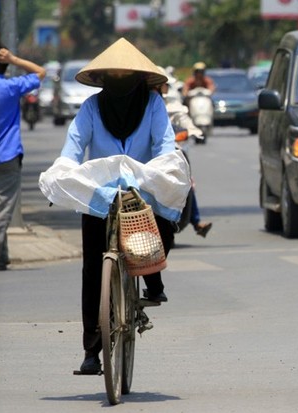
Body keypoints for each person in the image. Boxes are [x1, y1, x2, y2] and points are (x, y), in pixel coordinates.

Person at [57, 38, 177, 374]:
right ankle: (91, 351)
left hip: (142, 192)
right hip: (100, 196)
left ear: (139, 79)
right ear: (105, 80)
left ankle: (153, 281)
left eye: (126, 76)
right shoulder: (91, 108)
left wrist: (159, 173)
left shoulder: (154, 105)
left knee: (165, 222)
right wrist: (64, 170)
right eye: (115, 76)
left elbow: (165, 147)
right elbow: (73, 146)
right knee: (92, 270)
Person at [0, 44, 46, 271]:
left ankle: (0, 256)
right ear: (5, 63)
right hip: (7, 157)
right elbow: (40, 72)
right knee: (0, 210)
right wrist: (15, 59)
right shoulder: (12, 86)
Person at [157, 68, 212, 237]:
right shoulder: (140, 104)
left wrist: (193, 130)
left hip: (172, 152)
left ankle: (195, 220)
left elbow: (184, 120)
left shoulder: (172, 105)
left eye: (164, 84)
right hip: (148, 153)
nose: (162, 87)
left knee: (186, 182)